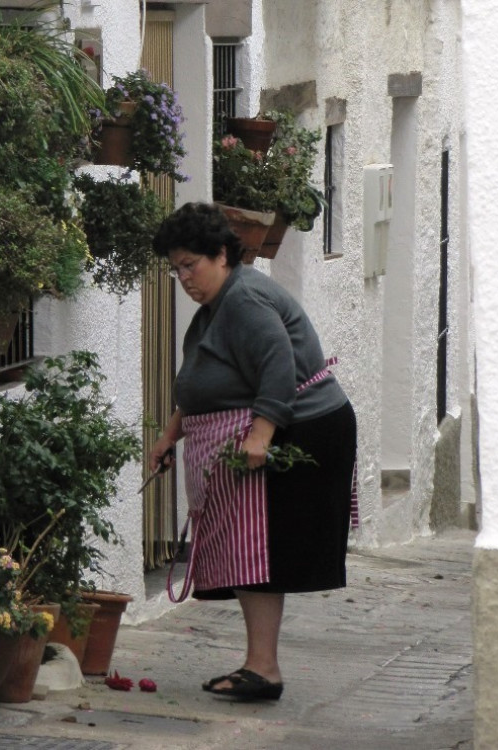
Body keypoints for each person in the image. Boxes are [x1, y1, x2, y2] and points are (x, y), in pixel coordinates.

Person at [149, 201, 357, 702]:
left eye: (189, 265)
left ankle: (263, 668)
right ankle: (260, 667)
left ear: (221, 254)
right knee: (255, 553)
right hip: (280, 429)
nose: (183, 278)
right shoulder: (218, 306)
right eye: (175, 268)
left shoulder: (243, 300)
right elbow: (211, 380)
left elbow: (277, 367)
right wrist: (171, 434)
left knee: (262, 551)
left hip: (301, 431)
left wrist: (261, 436)